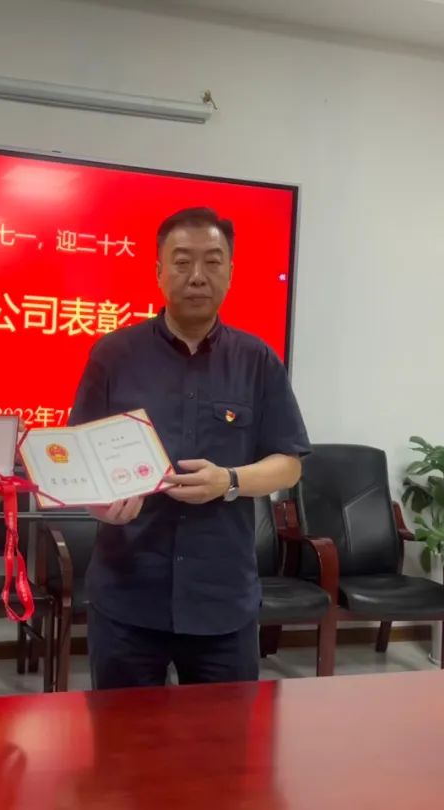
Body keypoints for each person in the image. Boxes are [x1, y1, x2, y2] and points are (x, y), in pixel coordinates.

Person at [70, 207, 311, 690]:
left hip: (222, 599)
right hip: (128, 595)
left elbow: (288, 466)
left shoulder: (258, 360)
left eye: (212, 262)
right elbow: (79, 459)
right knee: (124, 734)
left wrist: (229, 481)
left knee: (224, 736)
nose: (197, 276)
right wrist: (100, 505)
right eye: (181, 262)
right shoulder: (113, 355)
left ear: (231, 272)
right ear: (159, 271)